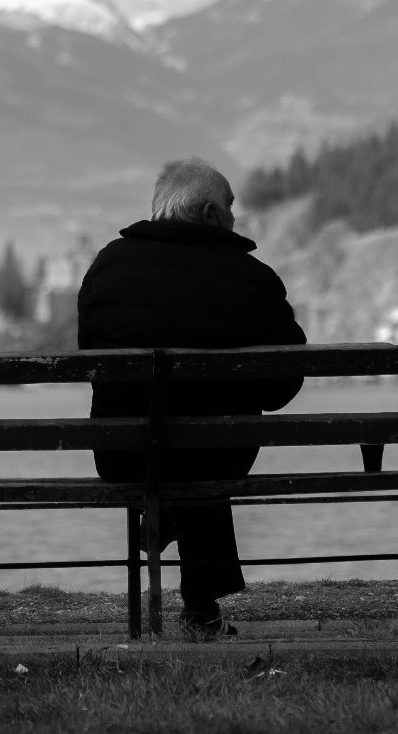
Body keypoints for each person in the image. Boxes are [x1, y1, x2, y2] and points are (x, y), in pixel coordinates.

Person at [78, 157, 306, 635]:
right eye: (230, 207)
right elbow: (281, 387)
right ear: (209, 213)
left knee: (177, 444)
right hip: (219, 453)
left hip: (125, 454)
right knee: (203, 450)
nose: (235, 217)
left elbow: (92, 358)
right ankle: (200, 611)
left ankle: (170, 529)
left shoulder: (107, 267)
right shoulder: (253, 279)